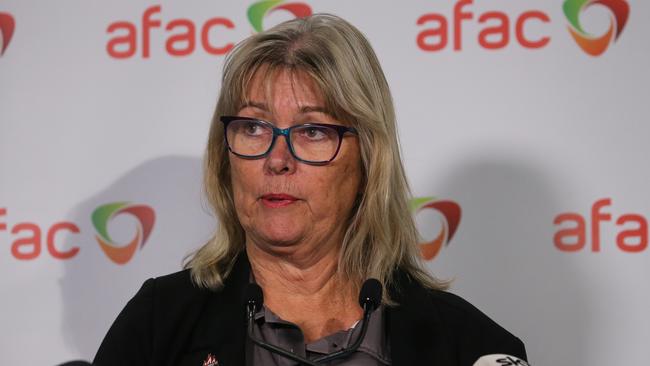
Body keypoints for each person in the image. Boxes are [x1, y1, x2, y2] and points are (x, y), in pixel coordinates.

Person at [94, 14, 527, 366]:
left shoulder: (470, 345)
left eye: (313, 131)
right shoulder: (160, 323)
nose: (277, 159)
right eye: (252, 127)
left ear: (368, 159)